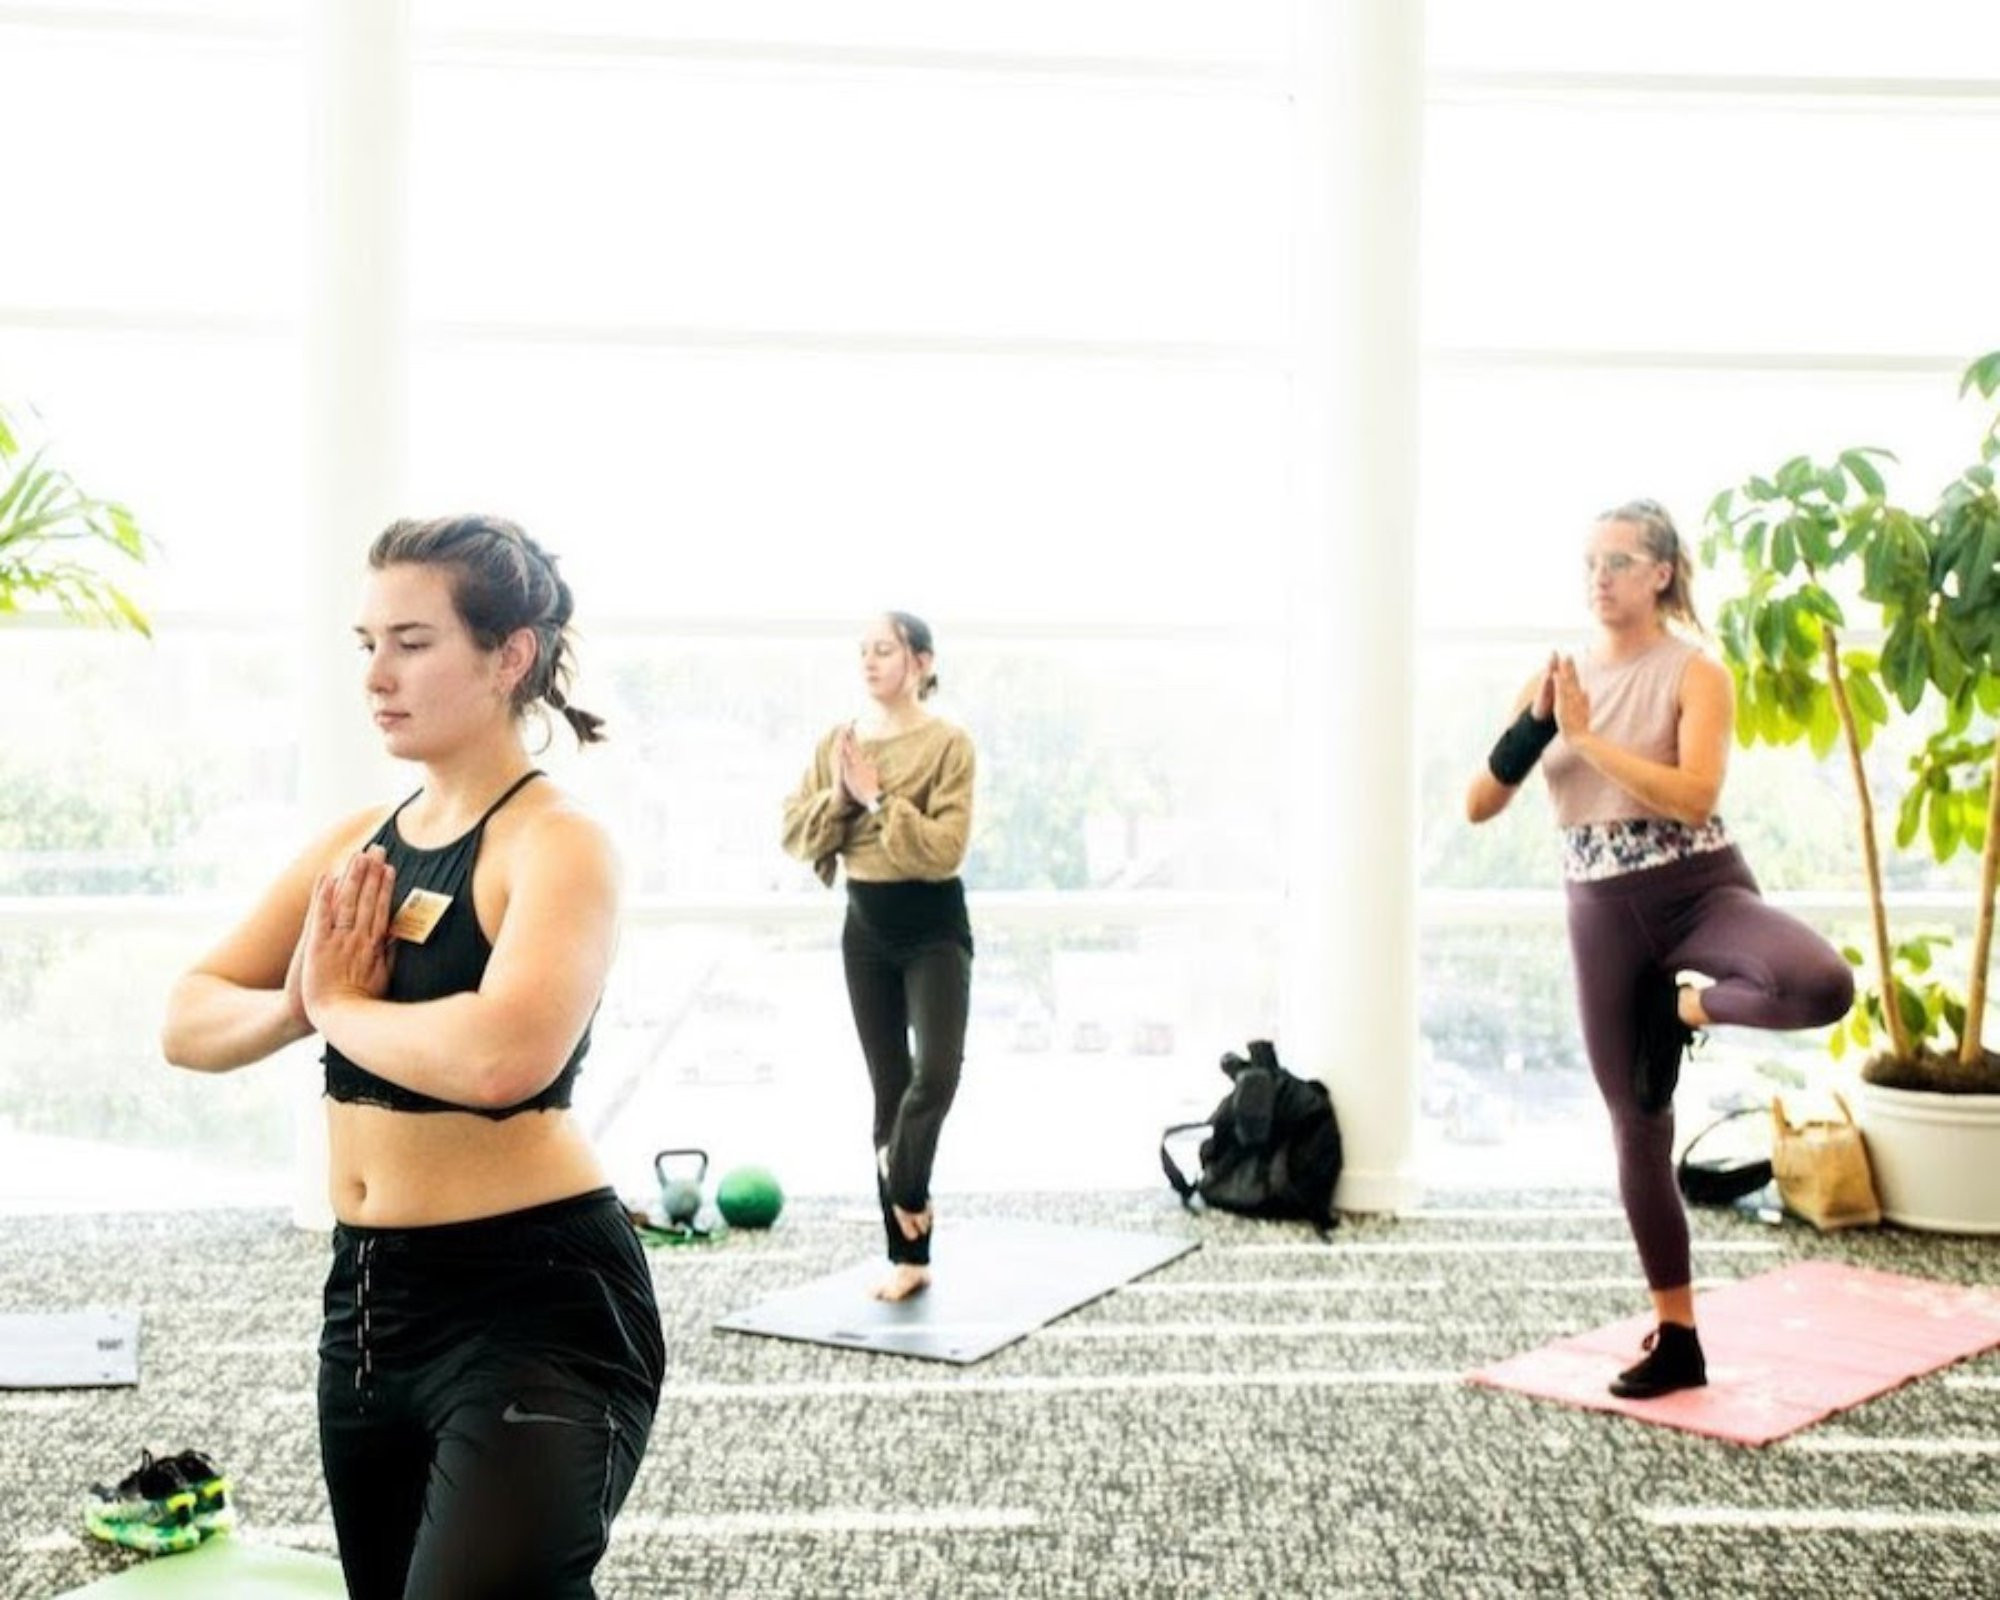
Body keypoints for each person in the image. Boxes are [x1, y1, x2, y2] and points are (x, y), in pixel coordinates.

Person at [160, 514, 664, 1598]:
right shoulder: (357, 842)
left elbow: (502, 1059)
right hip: (370, 1310)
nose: (375, 674)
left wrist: (337, 1001)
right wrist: (300, 1007)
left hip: (535, 1300)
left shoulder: (556, 841)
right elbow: (190, 1017)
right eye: (364, 642)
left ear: (509, 656)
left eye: (412, 641)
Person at [1464, 498, 1853, 1399]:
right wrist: (1537, 728)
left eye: (1620, 560)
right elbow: (1479, 805)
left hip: (1699, 890)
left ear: (1662, 573)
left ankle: (1682, 1007)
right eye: (1589, 563)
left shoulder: (1694, 672)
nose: (1599, 577)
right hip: (1600, 910)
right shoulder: (1554, 680)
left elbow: (1691, 796)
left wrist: (1588, 736)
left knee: (1820, 983)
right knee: (1638, 1125)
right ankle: (1677, 1337)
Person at [782, 612, 976, 1302]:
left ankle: (905, 1187)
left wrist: (878, 799)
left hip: (933, 925)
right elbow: (798, 837)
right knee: (889, 1090)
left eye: (885, 650)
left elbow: (943, 848)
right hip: (865, 926)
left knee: (940, 1073)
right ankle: (909, 1253)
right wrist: (841, 795)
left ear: (920, 661)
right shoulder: (840, 743)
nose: (870, 661)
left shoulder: (949, 743)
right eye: (863, 650)